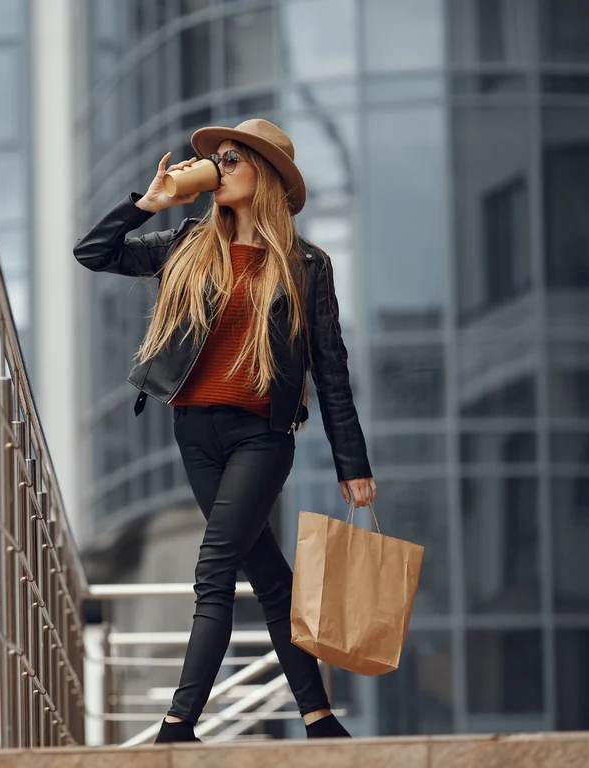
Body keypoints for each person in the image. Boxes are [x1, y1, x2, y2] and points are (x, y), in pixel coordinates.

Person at [73, 119, 376, 742]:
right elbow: (93, 253)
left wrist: (353, 464)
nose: (218, 165)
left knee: (214, 571)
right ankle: (320, 719)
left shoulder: (306, 265)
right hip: (195, 432)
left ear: (264, 175)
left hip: (260, 437)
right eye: (219, 156)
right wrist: (148, 202)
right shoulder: (187, 244)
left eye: (233, 158)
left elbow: (331, 370)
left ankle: (177, 724)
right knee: (267, 575)